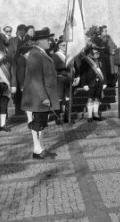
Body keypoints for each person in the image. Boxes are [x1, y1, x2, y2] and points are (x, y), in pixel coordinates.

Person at [21, 29, 59, 160]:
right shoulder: (35, 54)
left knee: (41, 123)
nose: (50, 41)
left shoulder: (41, 53)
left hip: (41, 96)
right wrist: (44, 98)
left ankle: (40, 148)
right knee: (37, 123)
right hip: (37, 97)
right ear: (39, 41)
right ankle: (37, 150)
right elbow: (36, 78)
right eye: (47, 39)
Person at [78, 44, 107, 122]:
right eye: (94, 49)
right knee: (90, 99)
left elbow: (104, 71)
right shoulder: (85, 60)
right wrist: (84, 84)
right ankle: (90, 115)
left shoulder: (100, 59)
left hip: (99, 82)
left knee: (97, 98)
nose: (97, 51)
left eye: (97, 49)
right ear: (90, 51)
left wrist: (105, 82)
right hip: (90, 83)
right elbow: (83, 73)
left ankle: (96, 114)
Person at [51, 37, 74, 123]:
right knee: (59, 98)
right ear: (59, 46)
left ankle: (67, 117)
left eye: (66, 45)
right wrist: (65, 67)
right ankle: (58, 117)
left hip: (69, 79)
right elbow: (54, 68)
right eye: (63, 45)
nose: (65, 47)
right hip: (59, 79)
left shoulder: (70, 55)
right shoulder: (55, 55)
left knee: (69, 98)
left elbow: (74, 67)